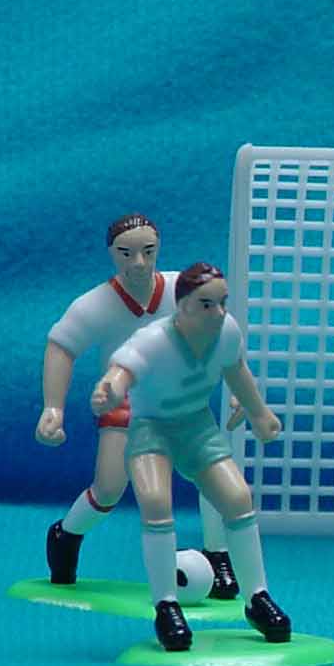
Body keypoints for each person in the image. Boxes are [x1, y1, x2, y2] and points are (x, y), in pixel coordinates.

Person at [91, 263, 288, 651]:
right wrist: (109, 390)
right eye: (206, 304)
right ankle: (166, 606)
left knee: (237, 498)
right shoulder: (153, 341)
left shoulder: (227, 333)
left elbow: (237, 372)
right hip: (153, 430)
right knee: (155, 501)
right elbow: (121, 370)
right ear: (182, 307)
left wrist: (259, 413)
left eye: (222, 303)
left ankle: (257, 598)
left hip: (198, 427)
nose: (218, 313)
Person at [37, 214, 236, 597]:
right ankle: (67, 534)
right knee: (109, 489)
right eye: (126, 253)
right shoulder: (96, 305)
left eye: (147, 251)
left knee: (210, 474)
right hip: (125, 405)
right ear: (112, 254)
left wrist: (239, 391)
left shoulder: (182, 291)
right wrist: (53, 408)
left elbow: (221, 336)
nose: (139, 263)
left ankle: (218, 554)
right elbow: (61, 346)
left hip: (181, 404)